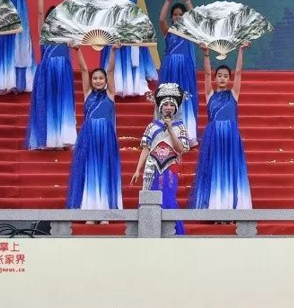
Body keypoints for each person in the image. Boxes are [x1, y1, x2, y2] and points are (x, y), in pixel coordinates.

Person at [189, 41, 252, 210]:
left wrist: (241, 51)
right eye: (219, 75)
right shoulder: (210, 94)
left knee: (230, 168)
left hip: (230, 136)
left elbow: (239, 73)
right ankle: (215, 207)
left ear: (229, 79)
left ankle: (231, 206)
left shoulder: (234, 94)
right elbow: (206, 73)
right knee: (215, 169)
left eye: (225, 76)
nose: (222, 78)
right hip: (213, 136)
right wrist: (206, 53)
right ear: (215, 78)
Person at [67, 41, 123, 213]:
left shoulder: (110, 94)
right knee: (90, 170)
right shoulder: (87, 94)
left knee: (105, 171)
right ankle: (90, 210)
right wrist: (78, 50)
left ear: (106, 81)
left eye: (101, 78)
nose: (98, 81)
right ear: (91, 81)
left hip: (106, 137)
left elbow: (111, 70)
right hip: (89, 136)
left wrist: (113, 51)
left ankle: (105, 211)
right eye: (95, 78)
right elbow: (84, 69)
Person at [100, 0, 158, 96]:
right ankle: (117, 82)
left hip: (131, 23)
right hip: (115, 24)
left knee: (131, 53)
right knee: (117, 52)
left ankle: (134, 83)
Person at [24, 0, 77, 150]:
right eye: (51, 17)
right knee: (47, 104)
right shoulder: (44, 33)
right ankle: (48, 140)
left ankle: (63, 139)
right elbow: (40, 12)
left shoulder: (66, 33)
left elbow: (68, 10)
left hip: (63, 72)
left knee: (63, 103)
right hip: (46, 72)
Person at [132, 82, 190, 235]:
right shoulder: (151, 127)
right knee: (150, 197)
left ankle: (171, 231)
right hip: (152, 168)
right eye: (165, 104)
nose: (168, 107)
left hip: (170, 168)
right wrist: (137, 170)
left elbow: (181, 149)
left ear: (176, 108)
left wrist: (170, 129)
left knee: (168, 197)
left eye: (172, 104)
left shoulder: (180, 128)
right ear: (160, 107)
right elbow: (146, 149)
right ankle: (148, 230)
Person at [158, 0, 198, 147]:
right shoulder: (168, 32)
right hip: (169, 69)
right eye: (175, 14)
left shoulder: (189, 32)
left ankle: (188, 134)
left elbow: (196, 19)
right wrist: (168, 0)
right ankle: (167, 132)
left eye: (181, 14)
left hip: (185, 69)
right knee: (169, 98)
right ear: (172, 17)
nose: (178, 17)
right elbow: (161, 19)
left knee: (185, 98)